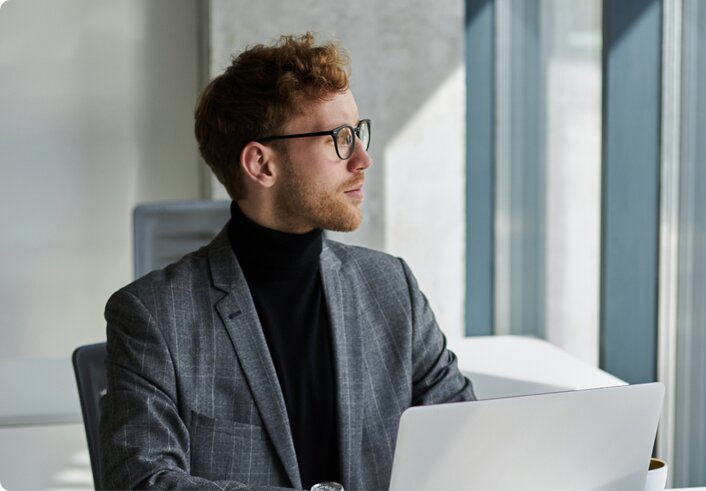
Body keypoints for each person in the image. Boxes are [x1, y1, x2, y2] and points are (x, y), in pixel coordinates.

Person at [99, 33, 475, 491]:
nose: (362, 158)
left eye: (358, 132)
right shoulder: (154, 316)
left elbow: (464, 436)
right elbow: (142, 482)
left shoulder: (391, 286)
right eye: (338, 138)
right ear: (261, 165)